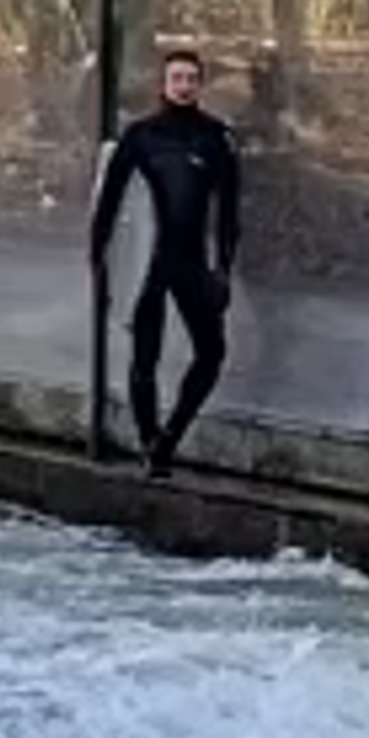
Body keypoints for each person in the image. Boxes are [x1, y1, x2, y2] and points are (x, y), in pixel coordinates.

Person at [90, 37, 244, 471]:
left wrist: (224, 271)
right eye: (177, 78)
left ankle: (170, 435)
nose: (184, 86)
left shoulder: (216, 138)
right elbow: (107, 207)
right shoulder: (141, 136)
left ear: (201, 86)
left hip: (193, 262)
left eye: (192, 79)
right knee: (145, 358)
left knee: (212, 353)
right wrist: (100, 267)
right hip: (149, 265)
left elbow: (229, 212)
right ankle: (149, 444)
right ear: (163, 84)